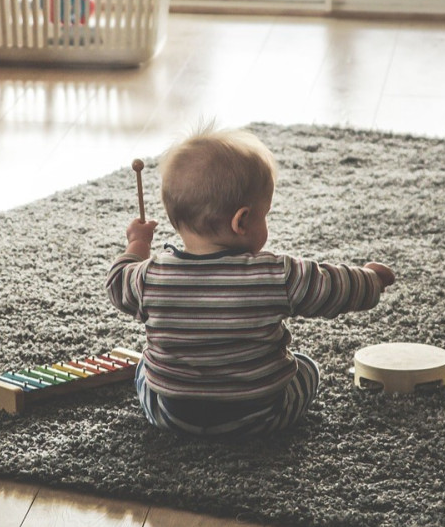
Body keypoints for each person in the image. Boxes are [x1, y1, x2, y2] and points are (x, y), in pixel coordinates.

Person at [106, 126, 395, 437]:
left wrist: (137, 244)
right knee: (307, 367)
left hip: (173, 415)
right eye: (265, 214)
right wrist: (372, 279)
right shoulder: (276, 275)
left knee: (143, 369)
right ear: (241, 221)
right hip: (261, 415)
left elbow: (117, 283)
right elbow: (333, 286)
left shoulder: (149, 277)